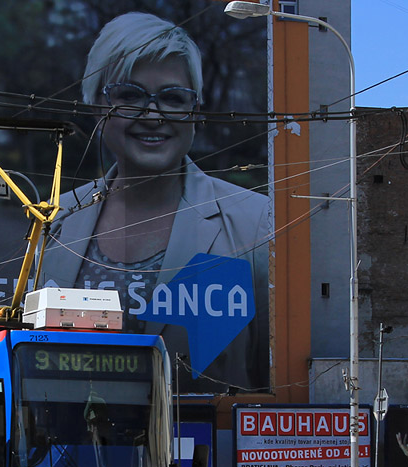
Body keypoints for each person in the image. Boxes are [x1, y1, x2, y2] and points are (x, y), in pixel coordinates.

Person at [40, 12, 270, 393]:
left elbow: (273, 382)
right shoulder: (55, 219)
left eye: (173, 98)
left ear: (195, 112)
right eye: (129, 95)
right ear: (96, 105)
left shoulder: (255, 223)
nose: (152, 115)